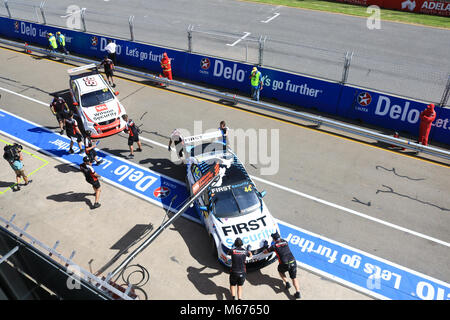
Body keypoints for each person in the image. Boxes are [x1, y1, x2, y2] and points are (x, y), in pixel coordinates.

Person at [263, 232, 301, 299]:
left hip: (284, 263)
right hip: (293, 261)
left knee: (280, 271)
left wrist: (266, 246)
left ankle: (287, 282)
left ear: (274, 239)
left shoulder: (274, 246)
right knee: (294, 278)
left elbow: (265, 252)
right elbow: (280, 245)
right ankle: (298, 292)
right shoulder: (285, 241)